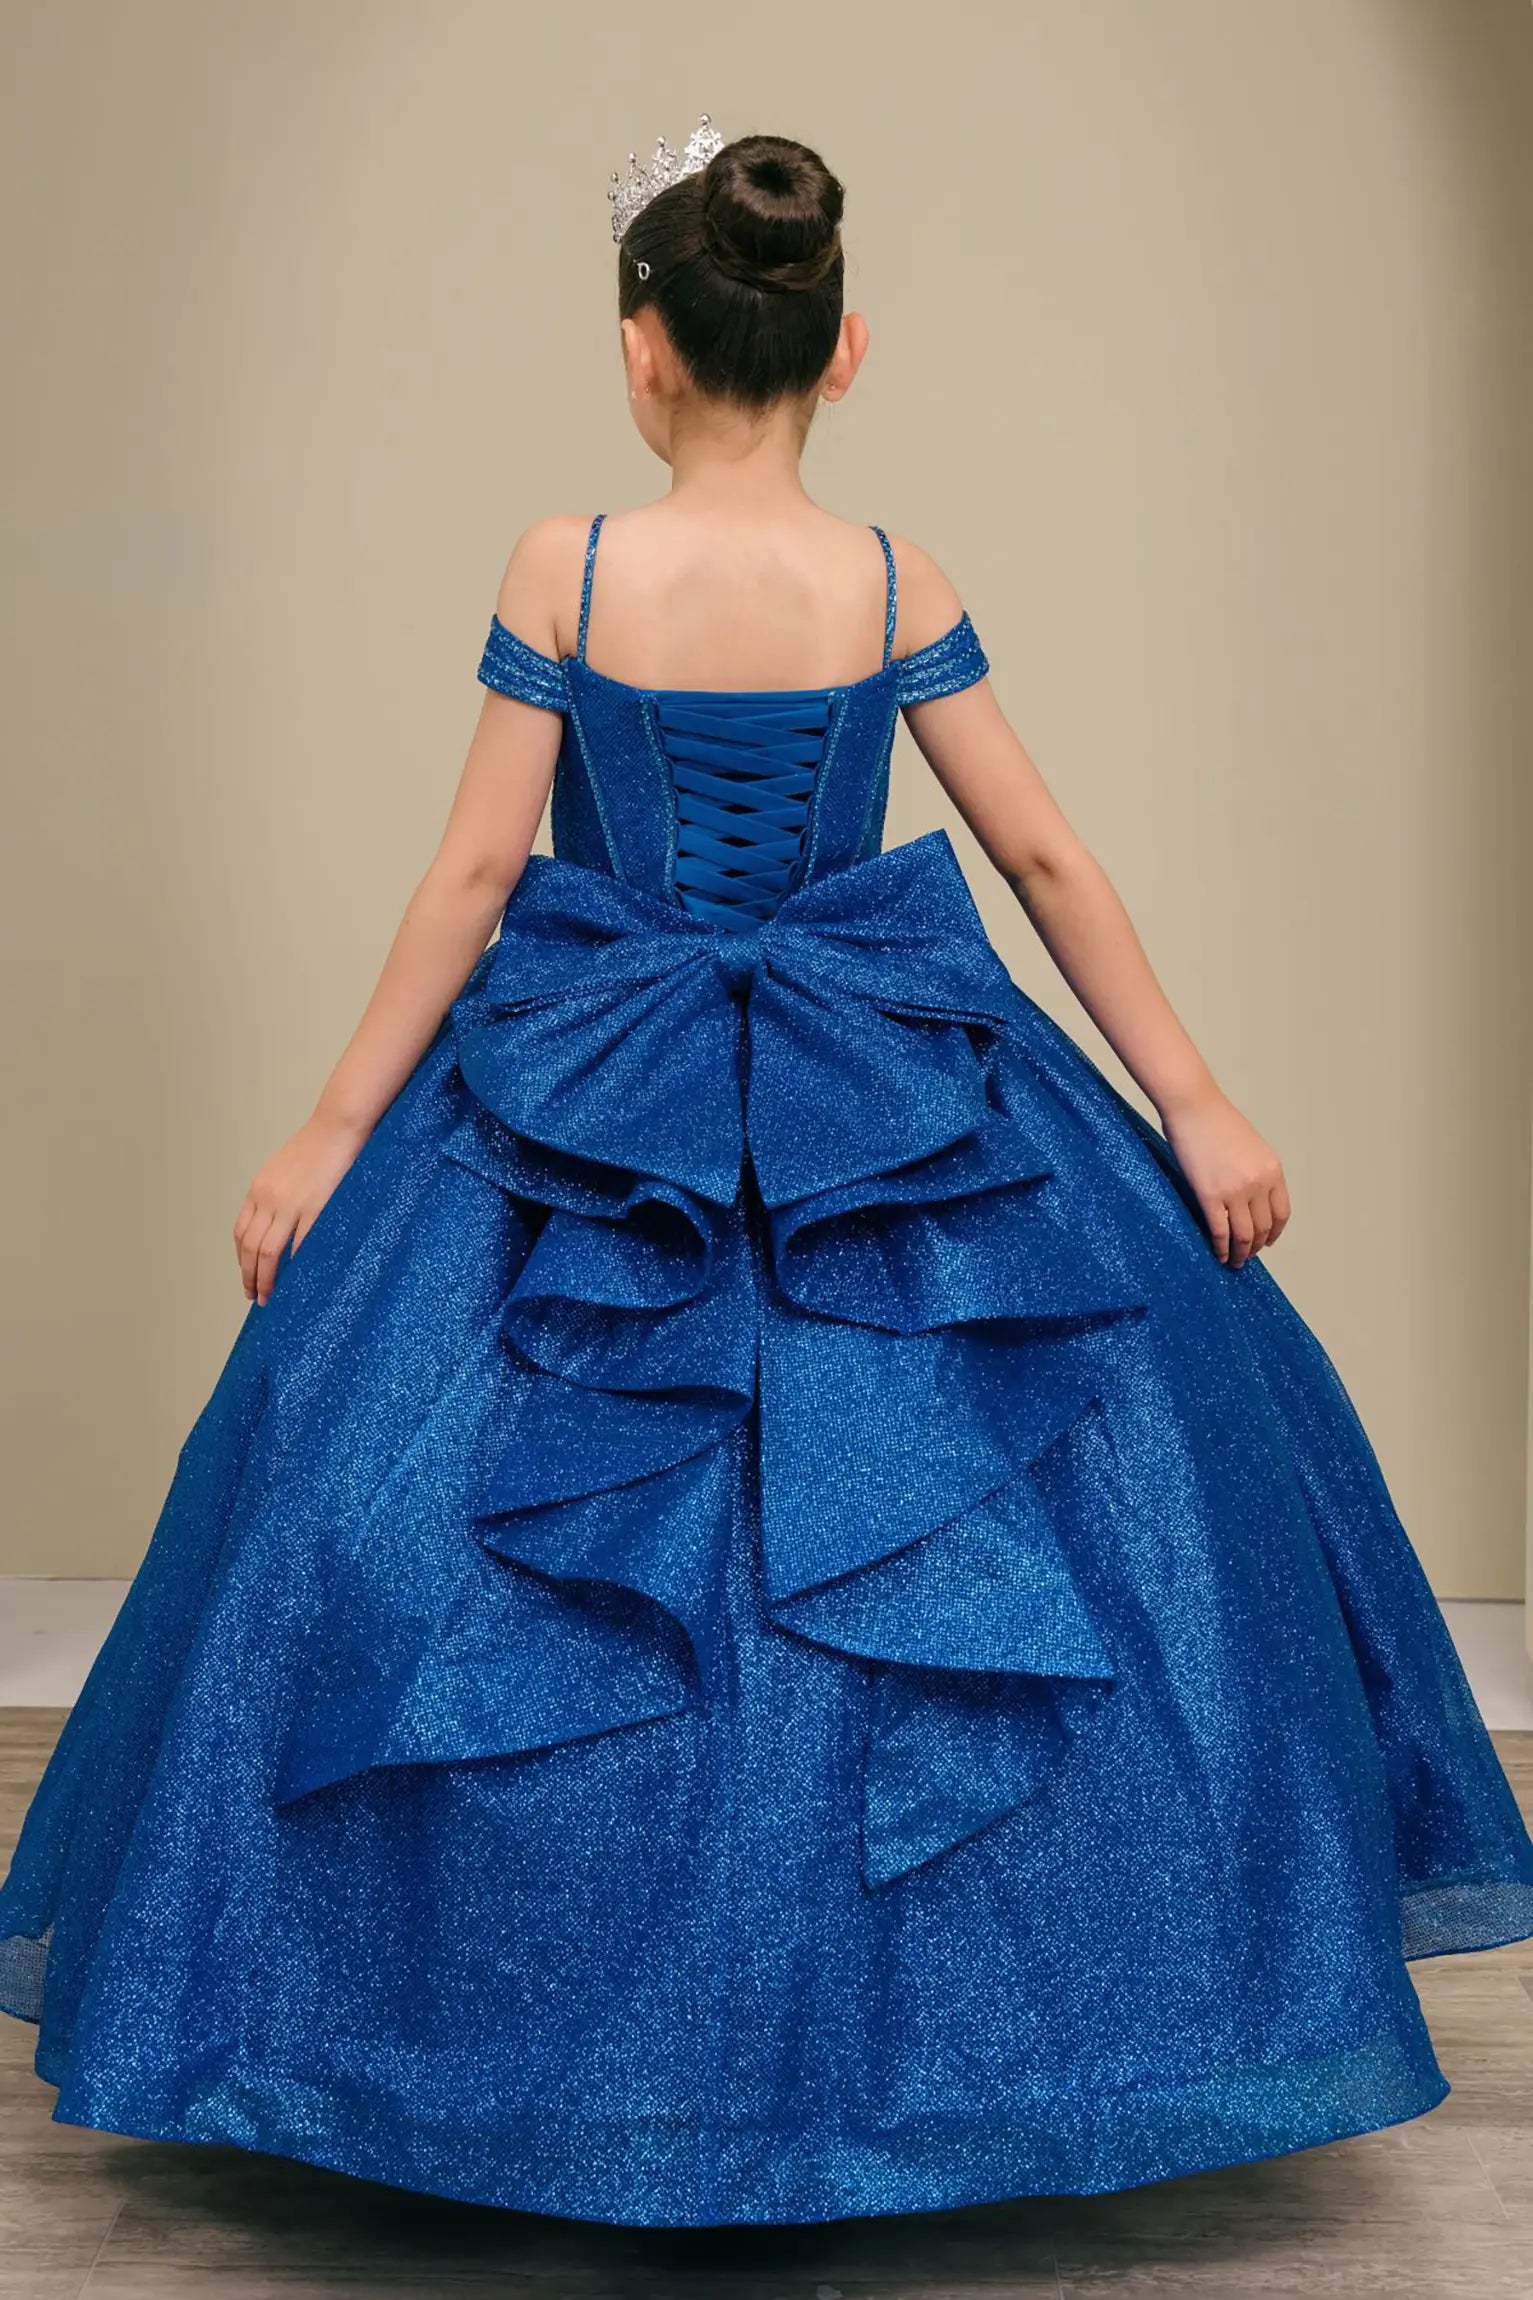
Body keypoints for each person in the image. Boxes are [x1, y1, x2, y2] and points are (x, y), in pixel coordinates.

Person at [3, 120, 1531, 2233]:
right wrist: (1191, 1097)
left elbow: (470, 875)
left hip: (579, 1094)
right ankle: (940, 2058)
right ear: (847, 349)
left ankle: (492, 2051)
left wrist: (333, 1129)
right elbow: (1042, 856)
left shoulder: (569, 566)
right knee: (984, 1526)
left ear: (641, 353)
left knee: (454, 1522)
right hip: (881, 1091)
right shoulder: (895, 579)